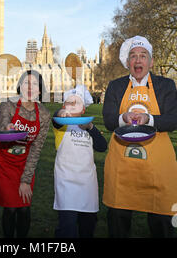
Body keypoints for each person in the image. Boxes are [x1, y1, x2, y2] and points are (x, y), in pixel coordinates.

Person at [102, 35, 177, 238]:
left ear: (151, 61)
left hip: (158, 166)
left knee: (162, 221)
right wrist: (124, 117)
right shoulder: (115, 86)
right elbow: (108, 120)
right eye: (133, 56)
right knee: (118, 221)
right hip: (122, 166)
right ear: (128, 62)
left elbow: (173, 120)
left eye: (143, 56)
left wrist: (149, 119)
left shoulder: (166, 85)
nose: (138, 60)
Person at [0, 70, 51, 238]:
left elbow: (37, 148)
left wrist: (26, 179)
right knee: (10, 207)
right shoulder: (7, 105)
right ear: (19, 86)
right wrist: (7, 129)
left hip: (25, 161)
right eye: (26, 83)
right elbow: (3, 127)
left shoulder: (44, 114)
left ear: (40, 90)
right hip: (3, 162)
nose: (29, 88)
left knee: (24, 206)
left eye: (34, 84)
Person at [52, 85, 107, 238]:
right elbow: (55, 120)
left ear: (83, 109)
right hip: (66, 182)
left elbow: (102, 147)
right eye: (68, 103)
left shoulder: (89, 127)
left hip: (87, 183)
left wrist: (91, 127)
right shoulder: (61, 126)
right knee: (67, 226)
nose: (72, 105)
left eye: (76, 102)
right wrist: (60, 113)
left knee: (88, 224)